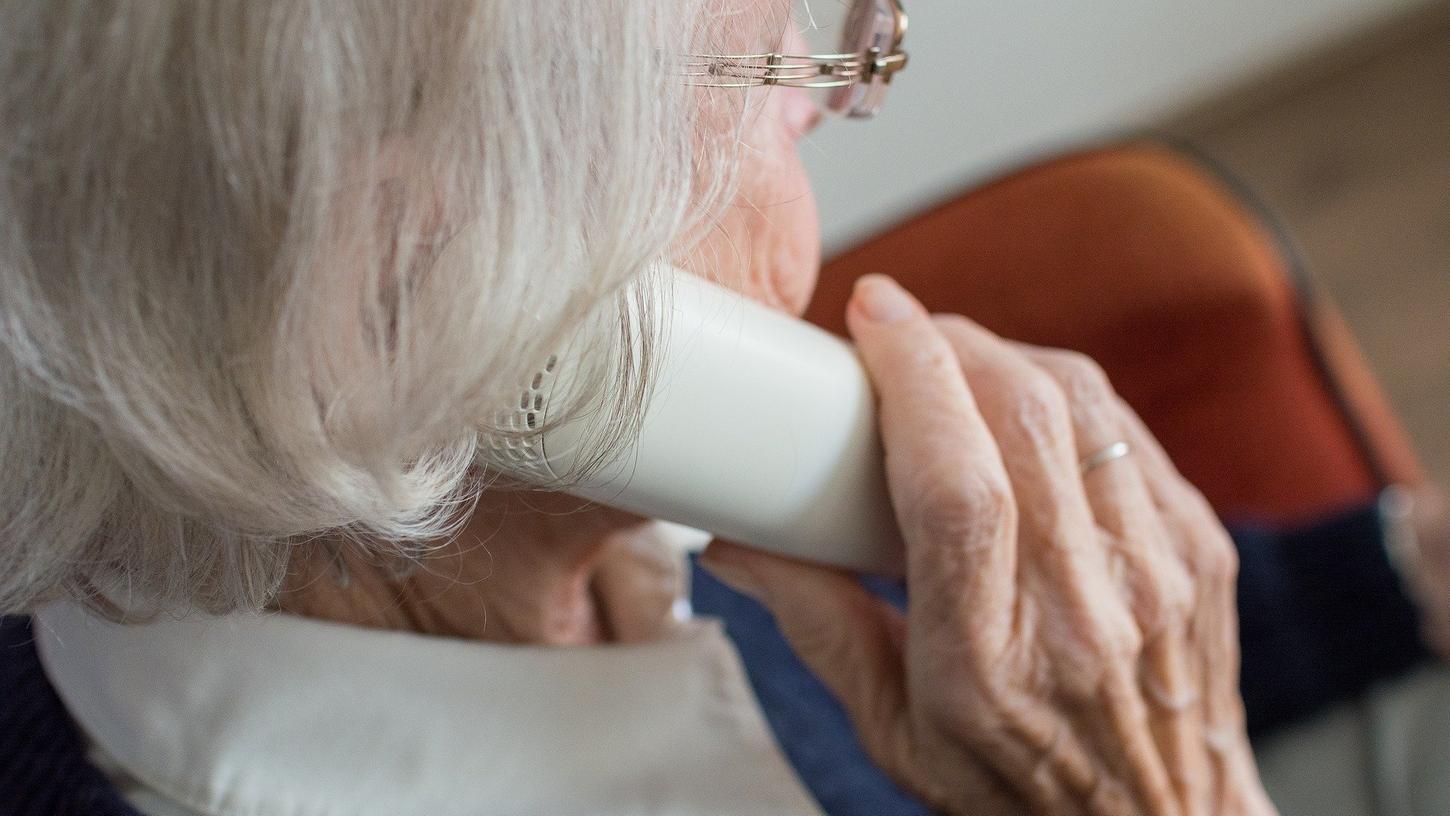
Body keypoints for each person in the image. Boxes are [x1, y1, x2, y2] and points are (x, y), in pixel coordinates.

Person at [0, 1, 1288, 813]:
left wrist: (1388, 570)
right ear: (414, 294)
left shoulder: (602, 514)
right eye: (786, 50)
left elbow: (1006, 659)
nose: (846, 84)